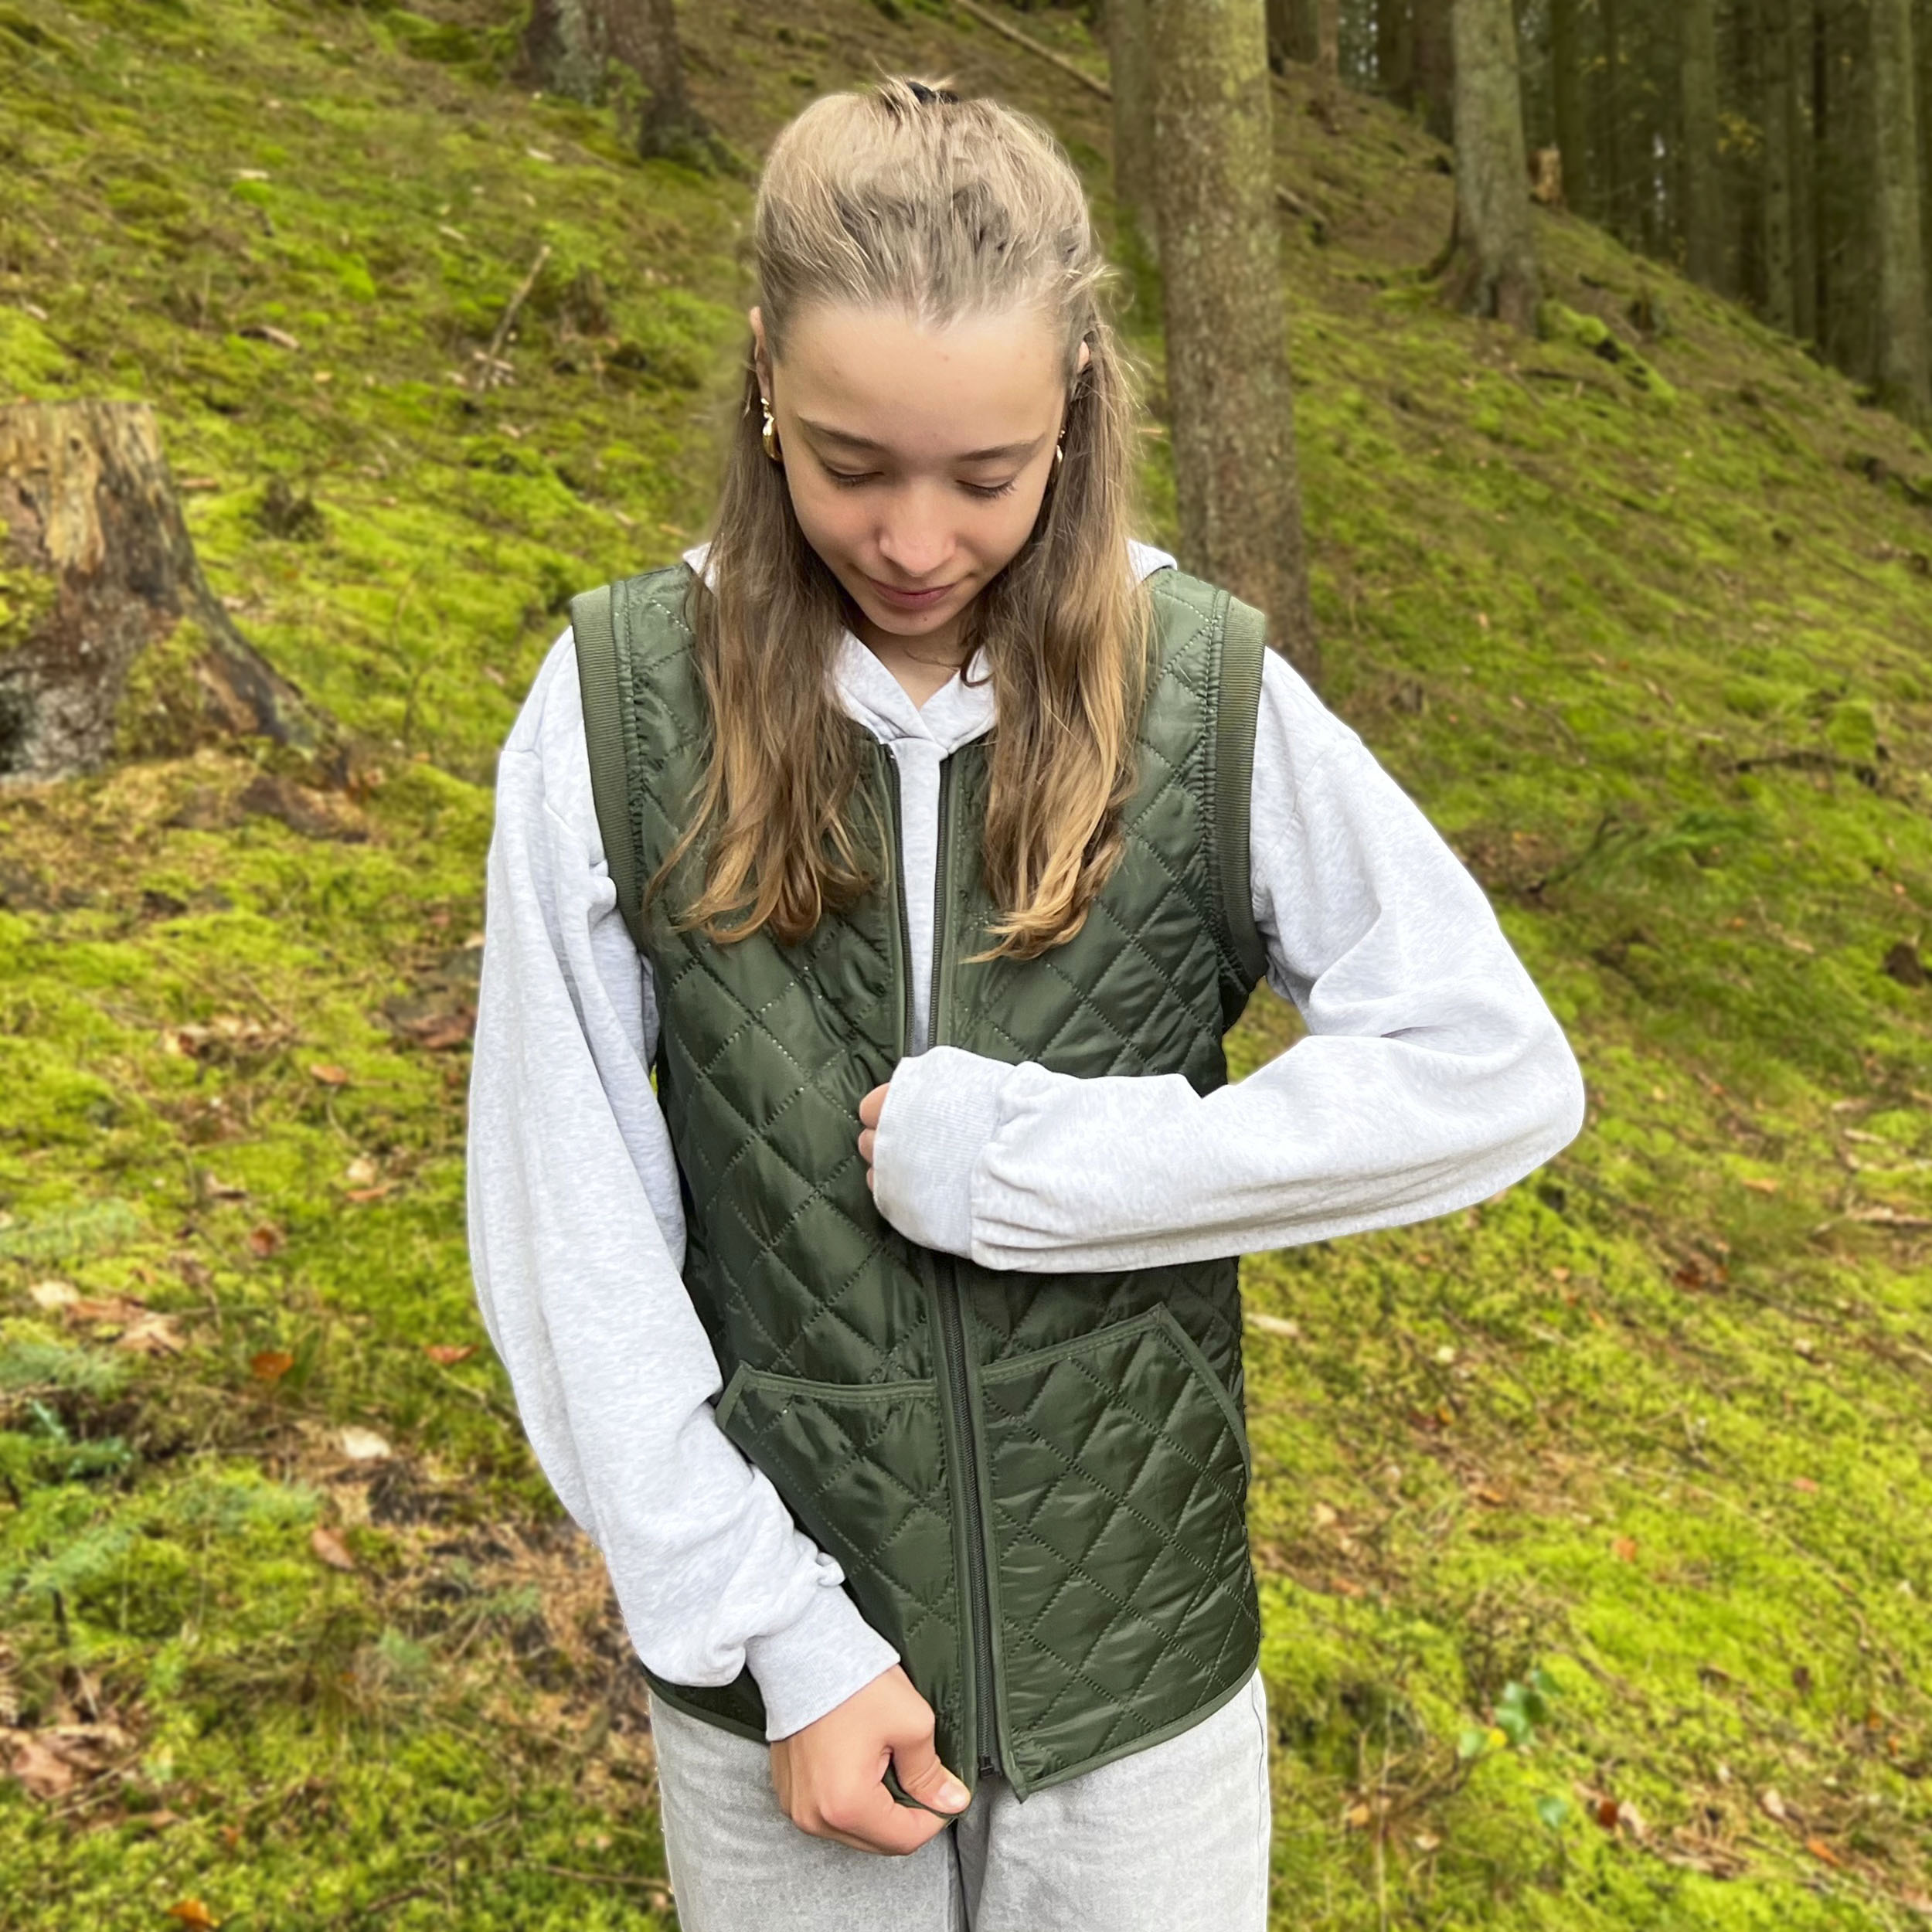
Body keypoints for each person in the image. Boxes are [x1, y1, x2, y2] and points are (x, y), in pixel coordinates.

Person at [465, 73, 1584, 1932]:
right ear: (762, 378)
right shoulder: (612, 710)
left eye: (985, 475)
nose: (915, 539)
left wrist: (1042, 1168)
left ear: (1073, 401)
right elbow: (564, 1226)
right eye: (850, 462)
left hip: (1140, 1697)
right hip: (786, 1709)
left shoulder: (1198, 686)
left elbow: (1487, 1064)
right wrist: (779, 1637)